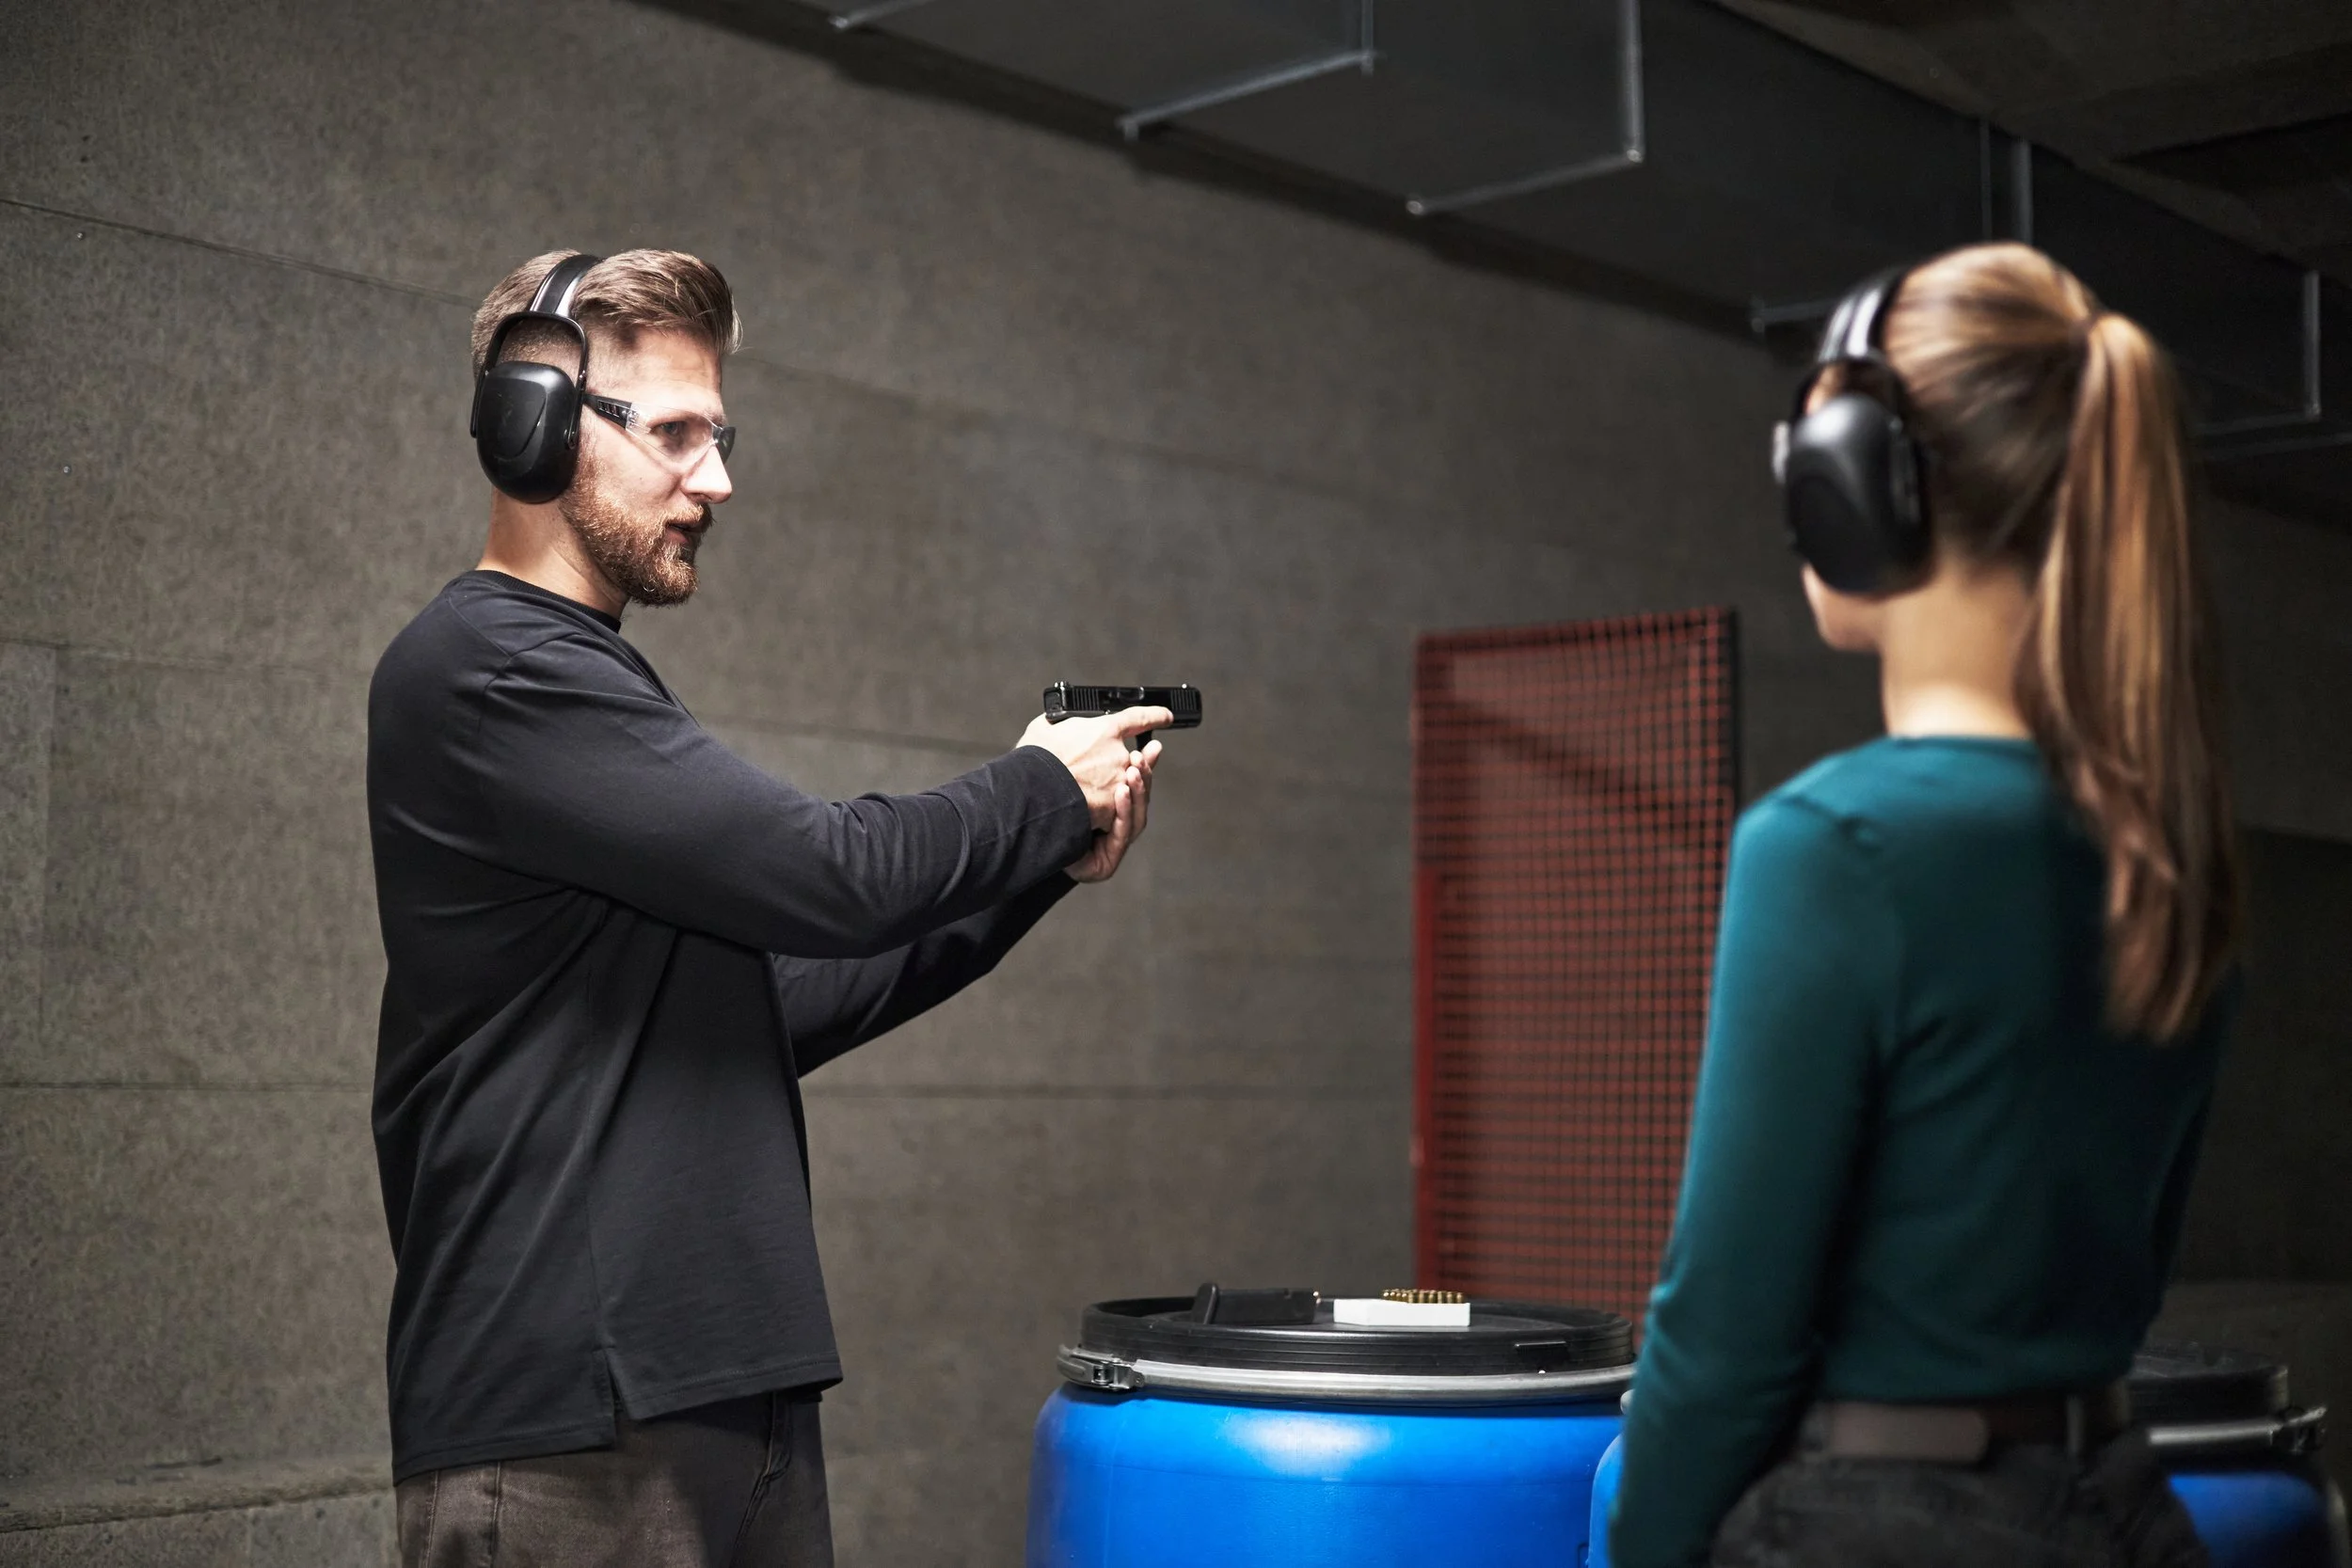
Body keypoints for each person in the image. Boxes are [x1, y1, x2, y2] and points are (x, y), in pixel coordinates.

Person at [367, 248, 1169, 1568]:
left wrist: (1042, 857)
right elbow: (833, 874)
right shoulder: (490, 669)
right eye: (676, 433)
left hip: (711, 1401)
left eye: (721, 436)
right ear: (533, 423)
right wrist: (1037, 787)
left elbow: (780, 993)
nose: (719, 479)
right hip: (568, 1420)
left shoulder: (579, 688)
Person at [1609, 242, 2239, 1568]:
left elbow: (1723, 1339)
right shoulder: (2170, 851)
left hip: (1878, 1525)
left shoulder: (1833, 846)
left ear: (1853, 484)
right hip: (2122, 1509)